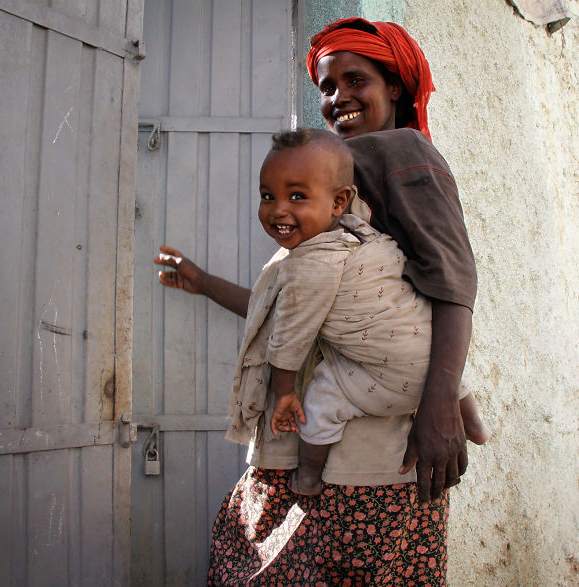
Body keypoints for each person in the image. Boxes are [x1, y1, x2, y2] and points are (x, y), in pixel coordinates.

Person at [155, 16, 479, 584]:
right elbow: (297, 312)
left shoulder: (402, 152)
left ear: (395, 88)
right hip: (312, 452)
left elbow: (454, 285)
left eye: (356, 81)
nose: (339, 98)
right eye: (327, 87)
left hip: (368, 462)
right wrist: (203, 283)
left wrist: (440, 405)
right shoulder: (328, 182)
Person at [222, 127, 485, 496]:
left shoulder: (306, 266)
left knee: (322, 399)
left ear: (338, 201)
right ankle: (475, 426)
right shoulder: (359, 228)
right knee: (422, 340)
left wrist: (284, 393)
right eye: (268, 196)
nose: (278, 209)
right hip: (436, 369)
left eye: (297, 196)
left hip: (386, 386)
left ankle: (309, 476)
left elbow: (289, 339)